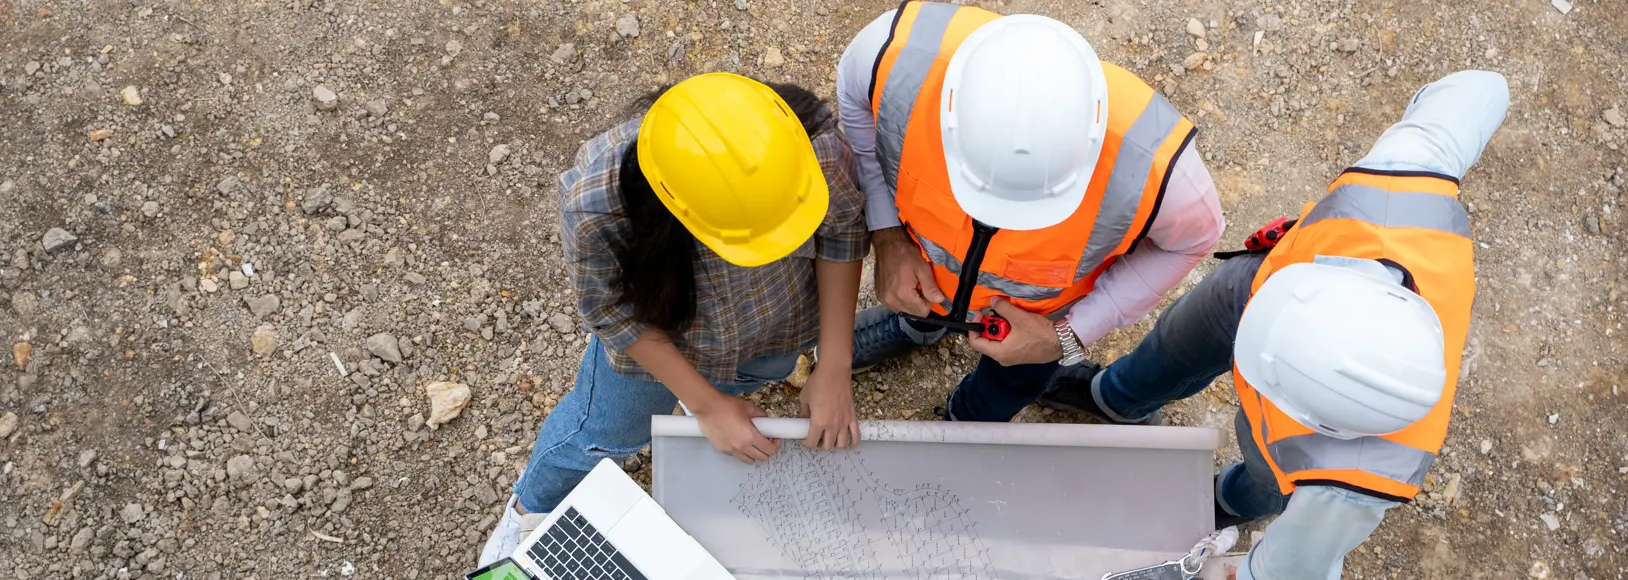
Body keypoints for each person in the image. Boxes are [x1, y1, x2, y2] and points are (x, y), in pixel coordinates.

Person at [1044, 70, 1511, 578]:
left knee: (1269, 481)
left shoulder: (1348, 486)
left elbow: (1286, 570)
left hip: (1288, 395)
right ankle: (1116, 399)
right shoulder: (1401, 189)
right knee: (1179, 342)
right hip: (1264, 284)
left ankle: (1227, 501)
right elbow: (1482, 89)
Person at [477, 73, 869, 565]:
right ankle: (528, 511)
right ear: (671, 207)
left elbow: (842, 234)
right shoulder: (596, 200)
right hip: (657, 350)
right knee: (600, 432)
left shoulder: (807, 147)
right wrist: (705, 404)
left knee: (749, 380)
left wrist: (833, 363)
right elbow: (608, 309)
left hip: (777, 325)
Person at [836, 3, 1225, 422]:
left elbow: (1195, 240)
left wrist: (1066, 337)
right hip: (925, 274)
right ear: (949, 111)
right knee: (918, 304)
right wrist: (888, 234)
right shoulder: (891, 57)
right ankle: (915, 326)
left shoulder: (1160, 170)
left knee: (1008, 387)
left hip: (1039, 323)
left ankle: (966, 421)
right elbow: (854, 103)